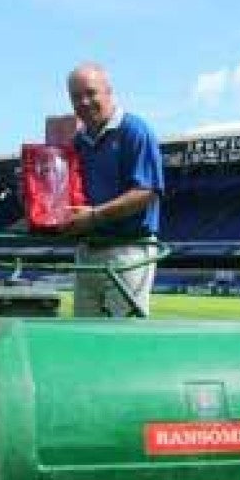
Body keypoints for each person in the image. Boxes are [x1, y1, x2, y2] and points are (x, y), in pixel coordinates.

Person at [60, 62, 164, 317]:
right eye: (76, 97)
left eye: (91, 93)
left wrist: (94, 215)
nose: (84, 102)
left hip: (128, 249)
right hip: (88, 249)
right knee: (85, 336)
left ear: (108, 91)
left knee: (123, 338)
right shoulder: (77, 142)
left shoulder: (134, 129)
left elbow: (148, 191)